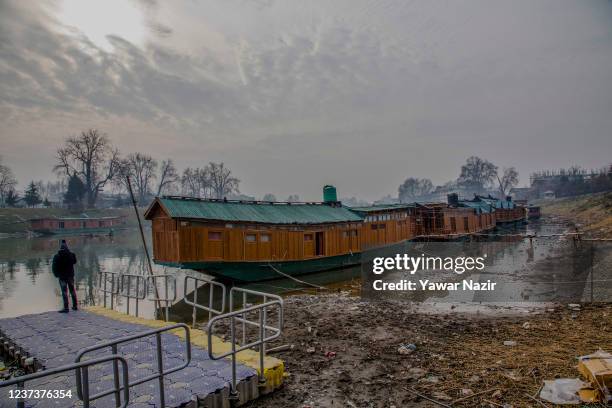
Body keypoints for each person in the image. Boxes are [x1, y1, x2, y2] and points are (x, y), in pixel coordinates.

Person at [52, 239, 78, 312]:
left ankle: (66, 308)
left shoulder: (57, 256)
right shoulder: (72, 254)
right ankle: (75, 306)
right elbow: (75, 262)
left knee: (64, 291)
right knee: (72, 290)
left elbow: (54, 267)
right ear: (67, 247)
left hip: (62, 277)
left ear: (60, 248)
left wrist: (56, 274)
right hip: (70, 276)